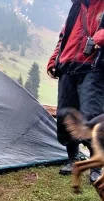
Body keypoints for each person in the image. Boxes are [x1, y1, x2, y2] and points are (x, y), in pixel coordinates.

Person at [47, 0, 104, 183]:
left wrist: (99, 37)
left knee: (92, 116)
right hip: (68, 66)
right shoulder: (76, 7)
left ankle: (96, 166)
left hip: (93, 68)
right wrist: (55, 59)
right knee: (66, 115)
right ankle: (73, 159)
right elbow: (64, 36)